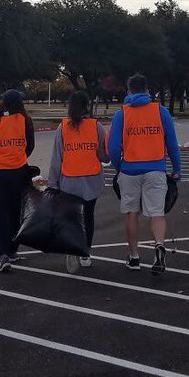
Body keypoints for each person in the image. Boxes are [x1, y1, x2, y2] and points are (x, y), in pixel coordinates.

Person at [108, 73, 181, 273]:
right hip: (156, 168)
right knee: (157, 212)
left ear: (128, 90)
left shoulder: (122, 114)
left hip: (130, 169)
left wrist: (118, 166)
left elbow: (113, 147)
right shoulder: (161, 111)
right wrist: (176, 168)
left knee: (132, 213)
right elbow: (172, 143)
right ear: (148, 90)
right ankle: (158, 244)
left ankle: (134, 256)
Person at [48, 90, 109, 269]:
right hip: (91, 180)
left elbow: (56, 158)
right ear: (87, 106)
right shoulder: (96, 126)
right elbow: (104, 156)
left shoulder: (63, 127)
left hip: (69, 181)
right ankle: (85, 253)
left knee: (72, 218)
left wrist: (53, 183)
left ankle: (72, 246)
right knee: (88, 217)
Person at [0, 89, 36, 272]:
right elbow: (30, 146)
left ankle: (2, 253)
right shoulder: (25, 121)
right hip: (19, 172)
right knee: (17, 212)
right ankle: (13, 248)